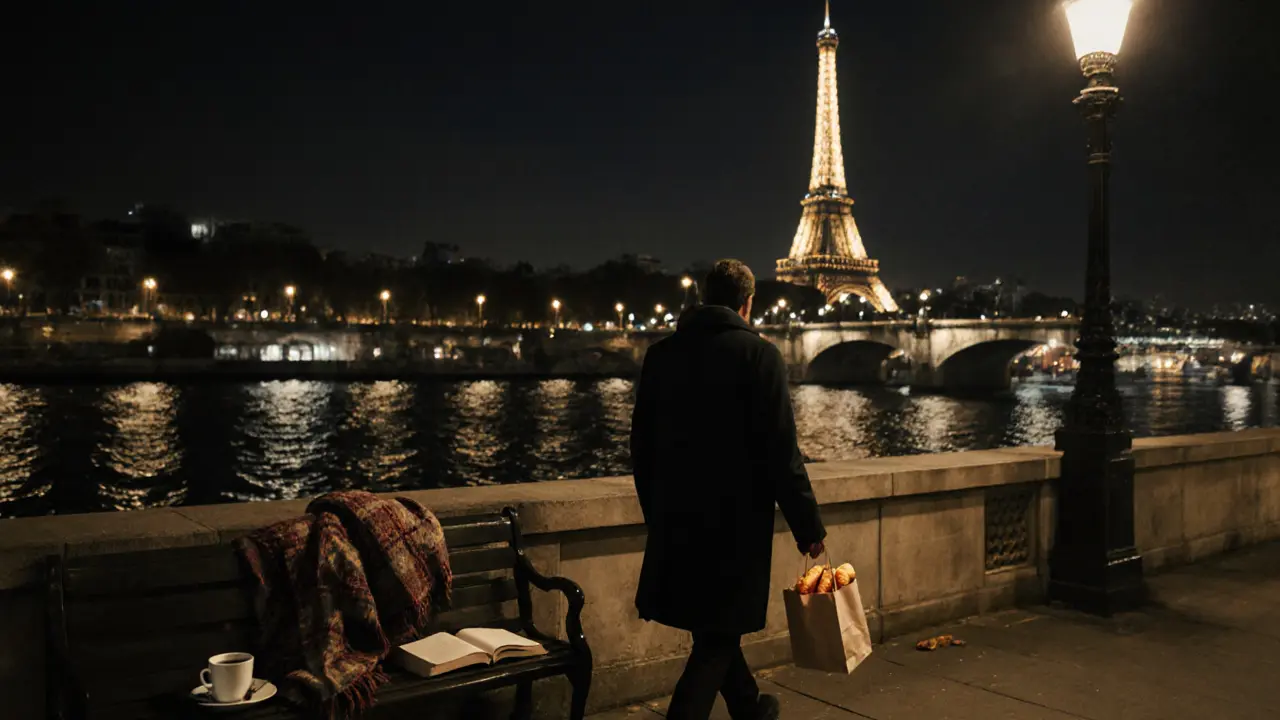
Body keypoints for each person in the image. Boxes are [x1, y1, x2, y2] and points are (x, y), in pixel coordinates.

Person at [631, 259, 827, 720]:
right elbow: (783, 453)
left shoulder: (661, 355)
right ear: (748, 302)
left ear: (703, 296)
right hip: (733, 529)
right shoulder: (760, 356)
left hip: (676, 522)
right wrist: (808, 526)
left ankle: (750, 708)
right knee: (717, 640)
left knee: (712, 631)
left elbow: (641, 447)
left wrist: (656, 512)